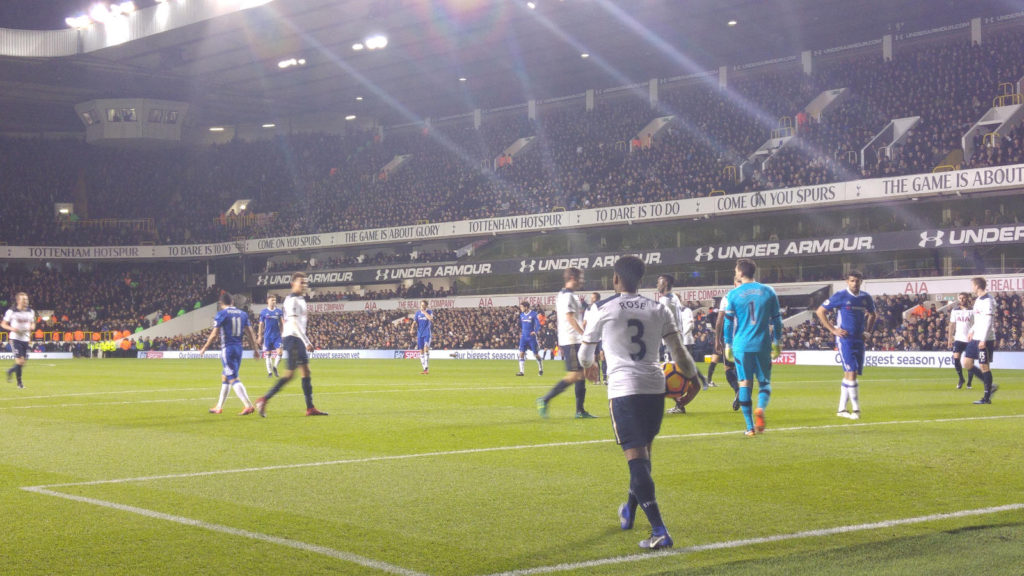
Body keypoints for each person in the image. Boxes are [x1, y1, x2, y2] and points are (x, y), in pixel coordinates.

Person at [579, 255, 698, 550]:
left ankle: (659, 530)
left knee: (637, 462)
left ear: (615, 279)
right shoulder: (658, 308)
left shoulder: (602, 308)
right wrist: (694, 378)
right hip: (655, 388)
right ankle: (630, 510)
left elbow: (584, 356)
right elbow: (679, 352)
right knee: (643, 459)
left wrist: (589, 364)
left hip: (624, 390)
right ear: (642, 281)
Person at [723, 259, 783, 436]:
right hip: (763, 344)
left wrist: (727, 344)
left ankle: (750, 428)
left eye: (736, 270)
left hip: (741, 345)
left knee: (744, 383)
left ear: (741, 273)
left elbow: (728, 324)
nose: (735, 272)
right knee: (764, 382)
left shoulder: (733, 295)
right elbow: (777, 321)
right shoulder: (768, 291)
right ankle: (760, 409)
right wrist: (777, 342)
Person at [255, 272, 327, 417]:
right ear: (293, 283)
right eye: (301, 282)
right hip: (292, 338)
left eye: (305, 282)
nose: (304, 284)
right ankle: (263, 399)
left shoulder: (300, 299)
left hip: (297, 338)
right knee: (289, 375)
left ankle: (310, 408)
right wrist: (307, 342)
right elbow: (293, 323)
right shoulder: (291, 300)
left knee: (305, 371)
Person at [815, 271, 876, 420]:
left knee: (850, 374)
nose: (855, 283)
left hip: (859, 339)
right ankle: (856, 410)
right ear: (847, 282)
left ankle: (841, 409)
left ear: (861, 282)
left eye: (857, 281)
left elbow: (873, 314)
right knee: (852, 371)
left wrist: (868, 332)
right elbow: (820, 311)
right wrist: (833, 330)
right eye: (852, 281)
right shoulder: (841, 295)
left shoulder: (865, 297)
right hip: (845, 340)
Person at [536, 267, 594, 419]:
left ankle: (580, 411)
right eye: (581, 278)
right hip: (572, 339)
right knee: (574, 375)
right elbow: (569, 317)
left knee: (581, 375)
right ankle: (545, 399)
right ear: (573, 278)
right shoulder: (568, 297)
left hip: (571, 339)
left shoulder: (563, 295)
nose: (583, 281)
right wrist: (583, 334)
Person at [198, 293, 258, 415]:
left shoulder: (222, 314)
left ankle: (248, 405)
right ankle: (219, 407)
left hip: (228, 349)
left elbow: (214, 334)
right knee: (225, 376)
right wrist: (255, 349)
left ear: (221, 303)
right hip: (239, 349)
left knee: (233, 378)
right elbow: (250, 332)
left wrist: (204, 347)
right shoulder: (243, 314)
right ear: (232, 302)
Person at [964, 277, 998, 404]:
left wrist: (983, 339)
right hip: (976, 337)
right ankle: (990, 385)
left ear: (977, 286)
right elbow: (979, 319)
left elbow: (989, 321)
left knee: (984, 366)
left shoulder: (988, 300)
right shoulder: (978, 300)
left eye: (972, 285)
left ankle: (986, 397)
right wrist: (972, 330)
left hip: (985, 338)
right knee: (967, 363)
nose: (972, 287)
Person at [2, 292, 35, 389]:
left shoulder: (30, 311)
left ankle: (11, 372)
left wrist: (32, 327)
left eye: (27, 299)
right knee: (20, 361)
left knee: (22, 363)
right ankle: (19, 383)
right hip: (15, 339)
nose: (26, 301)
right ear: (18, 301)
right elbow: (3, 324)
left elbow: (33, 323)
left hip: (25, 339)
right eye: (24, 299)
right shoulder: (11, 311)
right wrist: (13, 329)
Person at [948, 292, 974, 390]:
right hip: (958, 338)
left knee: (969, 362)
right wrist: (950, 338)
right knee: (956, 358)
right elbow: (952, 325)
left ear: (967, 299)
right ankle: (961, 379)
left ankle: (969, 382)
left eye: (964, 298)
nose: (962, 300)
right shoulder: (955, 310)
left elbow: (976, 324)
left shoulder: (972, 310)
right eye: (960, 298)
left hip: (970, 339)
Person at [258, 295, 284, 378]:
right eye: (272, 300)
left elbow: (282, 323)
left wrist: (282, 332)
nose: (274, 301)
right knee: (268, 354)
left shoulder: (279, 311)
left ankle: (275, 367)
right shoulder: (263, 312)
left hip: (277, 336)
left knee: (280, 352)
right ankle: (270, 373)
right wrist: (259, 336)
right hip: (267, 336)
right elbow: (261, 324)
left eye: (275, 300)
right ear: (268, 301)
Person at [516, 302, 544, 376]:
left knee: (535, 354)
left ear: (526, 307)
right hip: (523, 337)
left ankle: (540, 368)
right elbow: (522, 325)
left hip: (531, 338)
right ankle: (521, 372)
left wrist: (535, 331)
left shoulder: (533, 314)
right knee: (521, 353)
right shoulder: (521, 315)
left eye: (522, 307)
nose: (520, 308)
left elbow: (538, 324)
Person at [585, 292, 607, 384]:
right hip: (593, 336)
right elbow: (585, 322)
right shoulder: (588, 309)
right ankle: (597, 378)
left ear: (597, 299)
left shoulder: (603, 308)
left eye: (593, 298)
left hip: (602, 336)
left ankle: (605, 378)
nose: (591, 299)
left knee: (602, 356)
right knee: (594, 358)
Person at [412, 300, 433, 375]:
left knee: (426, 349)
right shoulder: (417, 313)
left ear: (426, 306)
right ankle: (424, 368)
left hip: (427, 333)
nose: (422, 307)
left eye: (423, 305)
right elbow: (414, 322)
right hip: (419, 334)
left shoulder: (429, 312)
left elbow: (431, 319)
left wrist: (424, 312)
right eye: (421, 305)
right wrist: (411, 329)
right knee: (421, 351)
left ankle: (426, 368)